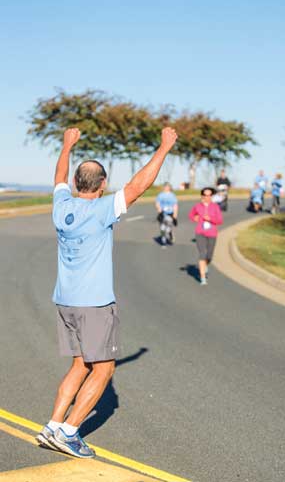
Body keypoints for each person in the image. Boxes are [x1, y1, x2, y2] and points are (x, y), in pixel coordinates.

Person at [36, 126, 177, 458]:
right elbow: (139, 185)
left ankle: (53, 426)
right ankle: (69, 433)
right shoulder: (101, 210)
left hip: (65, 301)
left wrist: (67, 145)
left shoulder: (61, 208)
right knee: (104, 369)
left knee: (80, 364)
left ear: (74, 184)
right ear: (102, 185)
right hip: (94, 305)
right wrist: (164, 148)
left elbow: (58, 176)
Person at [189, 187, 223, 285]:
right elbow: (191, 215)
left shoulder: (215, 207)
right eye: (205, 195)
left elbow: (220, 220)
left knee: (209, 256)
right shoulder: (197, 206)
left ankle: (205, 265)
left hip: (212, 233)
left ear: (212, 196)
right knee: (202, 254)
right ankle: (203, 277)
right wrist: (195, 218)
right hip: (200, 233)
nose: (207, 197)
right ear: (202, 196)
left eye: (209, 195)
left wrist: (210, 219)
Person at [155, 182, 178, 246]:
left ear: (170, 187)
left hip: (170, 214)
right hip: (162, 213)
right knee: (162, 228)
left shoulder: (172, 195)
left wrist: (175, 215)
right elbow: (157, 203)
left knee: (168, 228)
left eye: (168, 186)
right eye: (165, 186)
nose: (166, 188)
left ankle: (170, 234)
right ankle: (163, 240)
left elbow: (175, 205)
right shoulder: (160, 195)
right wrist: (159, 211)